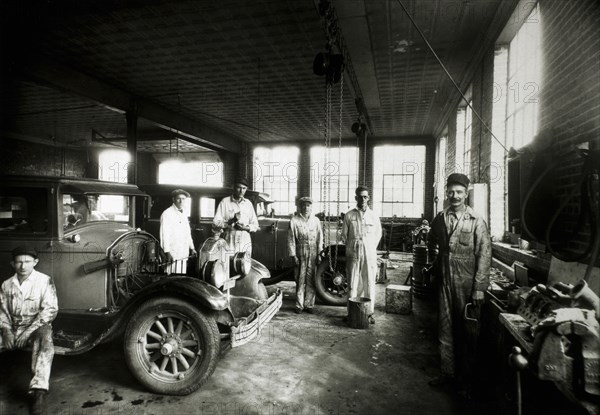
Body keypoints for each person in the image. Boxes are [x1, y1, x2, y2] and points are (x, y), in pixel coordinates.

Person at [426, 173, 491, 397]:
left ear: (467, 193)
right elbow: (431, 241)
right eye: (451, 192)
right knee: (444, 330)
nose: (455, 196)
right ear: (447, 192)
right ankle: (447, 373)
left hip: (466, 282)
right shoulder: (440, 218)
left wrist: (479, 288)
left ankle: (466, 381)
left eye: (459, 192)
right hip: (444, 280)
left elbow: (484, 254)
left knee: (467, 332)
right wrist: (435, 264)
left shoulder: (477, 220)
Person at [0, 246, 58, 415]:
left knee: (46, 340)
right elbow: (2, 311)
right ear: (12, 263)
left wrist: (27, 333)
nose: (23, 266)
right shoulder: (6, 285)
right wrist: (6, 330)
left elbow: (50, 310)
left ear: (35, 262)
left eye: (27, 262)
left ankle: (38, 391)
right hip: (12, 328)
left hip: (37, 328)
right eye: (18, 262)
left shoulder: (44, 281)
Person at [341, 186, 382, 324]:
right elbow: (344, 236)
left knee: (369, 282)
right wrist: (352, 247)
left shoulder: (373, 216)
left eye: (365, 196)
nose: (362, 199)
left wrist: (369, 247)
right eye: (360, 196)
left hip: (369, 253)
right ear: (355, 198)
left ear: (368, 198)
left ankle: (369, 314)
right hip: (353, 252)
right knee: (353, 283)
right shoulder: (349, 215)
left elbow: (378, 234)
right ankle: (351, 313)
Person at [287, 196, 323, 314]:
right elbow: (291, 239)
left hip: (313, 251)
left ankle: (309, 305)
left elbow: (320, 238)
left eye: (308, 205)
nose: (306, 208)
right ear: (300, 207)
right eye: (303, 205)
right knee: (299, 278)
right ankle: (299, 305)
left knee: (311, 279)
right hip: (300, 251)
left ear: (311, 207)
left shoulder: (316, 221)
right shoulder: (294, 220)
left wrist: (319, 253)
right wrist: (293, 255)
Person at [213, 177, 259, 255]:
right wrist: (230, 221)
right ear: (233, 187)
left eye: (244, 188)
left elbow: (255, 225)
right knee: (228, 263)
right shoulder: (225, 202)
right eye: (239, 188)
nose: (241, 191)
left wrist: (245, 228)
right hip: (229, 238)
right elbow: (215, 223)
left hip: (245, 240)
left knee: (244, 264)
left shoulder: (248, 204)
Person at [160, 189, 197, 274]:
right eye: (178, 199)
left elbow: (188, 233)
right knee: (171, 277)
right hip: (173, 252)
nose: (181, 201)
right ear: (173, 199)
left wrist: (192, 248)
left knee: (180, 276)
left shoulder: (184, 213)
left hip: (183, 253)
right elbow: (164, 234)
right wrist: (167, 252)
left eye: (183, 199)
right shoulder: (167, 213)